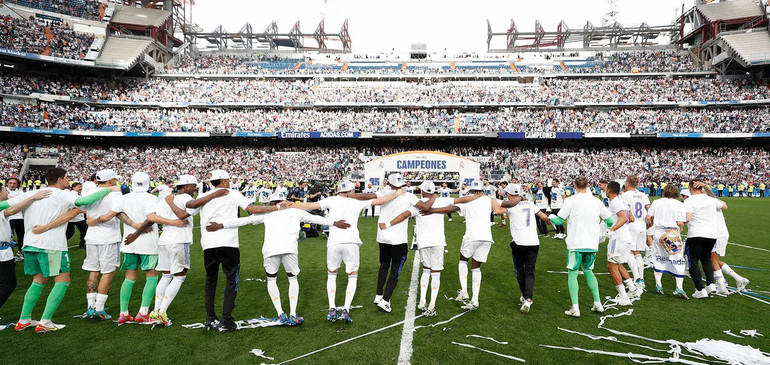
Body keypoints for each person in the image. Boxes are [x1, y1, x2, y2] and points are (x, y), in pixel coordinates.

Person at [207, 191, 349, 326]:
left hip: (270, 250)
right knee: (292, 279)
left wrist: (221, 225)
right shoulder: (294, 211)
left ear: (273, 202)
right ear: (284, 200)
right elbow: (315, 218)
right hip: (289, 249)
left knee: (272, 279)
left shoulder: (268, 213)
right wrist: (335, 223)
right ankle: (293, 314)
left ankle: (281, 313)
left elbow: (245, 220)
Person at [14, 168, 117, 333]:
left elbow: (6, 206)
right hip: (52, 245)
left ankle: (24, 319)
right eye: (67, 177)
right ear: (60, 179)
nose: (68, 179)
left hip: (29, 244)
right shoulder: (62, 194)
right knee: (62, 280)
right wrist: (109, 189)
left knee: (38, 281)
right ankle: (45, 321)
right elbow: (84, 200)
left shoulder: (32, 193)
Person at [185, 169, 287, 331]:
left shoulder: (204, 196)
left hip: (208, 243)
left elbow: (189, 210)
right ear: (224, 181)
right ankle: (226, 319)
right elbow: (252, 209)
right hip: (228, 243)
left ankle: (210, 317)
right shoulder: (232, 194)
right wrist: (277, 208)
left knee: (211, 279)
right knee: (231, 279)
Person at [291, 180, 402, 323]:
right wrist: (396, 193)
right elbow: (380, 201)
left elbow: (309, 205)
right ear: (350, 191)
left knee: (332, 274)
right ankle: (346, 310)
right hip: (351, 242)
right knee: (352, 276)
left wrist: (290, 205)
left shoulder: (331, 199)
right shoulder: (356, 202)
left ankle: (332, 308)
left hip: (334, 242)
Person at [379, 181, 482, 317]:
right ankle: (432, 304)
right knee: (436, 273)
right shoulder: (440, 200)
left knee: (426, 271)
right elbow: (461, 199)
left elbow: (404, 215)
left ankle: (422, 301)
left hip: (423, 243)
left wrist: (388, 224)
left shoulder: (418, 204)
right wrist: (478, 196)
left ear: (422, 191)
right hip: (438, 242)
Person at [422, 180, 507, 311]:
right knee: (476, 267)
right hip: (487, 237)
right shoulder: (490, 199)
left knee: (463, 260)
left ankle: (464, 291)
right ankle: (475, 299)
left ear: (472, 191)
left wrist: (432, 210)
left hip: (471, 236)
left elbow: (451, 208)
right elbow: (503, 207)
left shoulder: (468, 201)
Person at [128, 174, 197, 326]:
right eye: (193, 186)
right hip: (179, 240)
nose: (195, 189)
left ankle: (155, 311)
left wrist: (136, 233)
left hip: (164, 239)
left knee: (166, 276)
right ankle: (162, 312)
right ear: (185, 187)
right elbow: (184, 214)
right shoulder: (184, 198)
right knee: (179, 277)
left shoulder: (164, 199)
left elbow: (151, 218)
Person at [96, 172, 163, 325]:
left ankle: (123, 313)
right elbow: (151, 219)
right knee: (151, 276)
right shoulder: (152, 198)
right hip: (148, 243)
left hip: (129, 243)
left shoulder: (123, 198)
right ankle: (143, 312)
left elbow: (114, 214)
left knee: (129, 277)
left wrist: (132, 227)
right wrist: (137, 231)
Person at [548, 176, 612, 318]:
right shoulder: (596, 201)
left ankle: (575, 307)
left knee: (573, 272)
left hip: (576, 242)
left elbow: (559, 220)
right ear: (588, 185)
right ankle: (598, 303)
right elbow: (610, 221)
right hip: (592, 243)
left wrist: (550, 216)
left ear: (574, 186)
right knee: (588, 271)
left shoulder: (571, 200)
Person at [371, 173, 433, 313]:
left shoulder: (383, 192)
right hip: (398, 240)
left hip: (382, 237)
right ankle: (386, 301)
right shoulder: (409, 196)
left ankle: (378, 295)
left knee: (384, 265)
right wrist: (434, 196)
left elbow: (367, 196)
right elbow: (425, 207)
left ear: (389, 183)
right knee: (395, 270)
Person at [83, 169, 140, 320]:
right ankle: (99, 308)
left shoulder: (89, 191)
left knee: (94, 270)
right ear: (110, 181)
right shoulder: (115, 194)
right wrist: (134, 224)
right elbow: (117, 213)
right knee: (108, 272)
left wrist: (92, 221)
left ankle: (90, 307)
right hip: (108, 236)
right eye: (114, 179)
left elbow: (83, 209)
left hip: (91, 236)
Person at [0, 185, 50, 310]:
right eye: (5, 189)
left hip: (5, 249)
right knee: (8, 284)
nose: (7, 191)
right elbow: (11, 210)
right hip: (2, 252)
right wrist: (33, 197)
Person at [503, 184, 548, 313]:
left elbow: (503, 210)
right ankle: (528, 298)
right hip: (534, 242)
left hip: (519, 241)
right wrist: (549, 221)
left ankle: (525, 296)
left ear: (509, 195)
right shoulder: (529, 204)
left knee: (519, 270)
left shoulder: (510, 206)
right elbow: (543, 216)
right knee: (530, 271)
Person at [700, 183, 750, 294]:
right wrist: (705, 186)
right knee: (715, 259)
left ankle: (721, 285)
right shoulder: (714, 201)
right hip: (722, 233)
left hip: (715, 234)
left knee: (711, 260)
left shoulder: (707, 202)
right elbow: (721, 203)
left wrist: (704, 185)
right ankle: (738, 278)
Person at [683, 180, 727, 299]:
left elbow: (688, 218)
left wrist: (679, 223)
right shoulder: (711, 200)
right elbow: (724, 206)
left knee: (693, 261)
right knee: (706, 259)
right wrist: (707, 187)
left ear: (691, 188)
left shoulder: (689, 200)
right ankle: (711, 285)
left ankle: (699, 290)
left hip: (696, 234)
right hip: (711, 235)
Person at [646, 184, 688, 298]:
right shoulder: (680, 205)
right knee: (678, 259)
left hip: (659, 233)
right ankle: (679, 287)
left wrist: (650, 224)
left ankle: (658, 285)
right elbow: (680, 222)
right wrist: (681, 229)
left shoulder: (656, 202)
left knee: (659, 258)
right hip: (673, 233)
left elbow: (648, 217)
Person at [605, 182, 641, 306]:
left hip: (618, 238)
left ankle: (623, 296)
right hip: (626, 237)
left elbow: (624, 218)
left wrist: (611, 230)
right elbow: (631, 218)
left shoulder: (615, 202)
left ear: (608, 190)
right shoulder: (622, 201)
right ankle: (632, 289)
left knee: (611, 265)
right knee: (618, 264)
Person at [621, 175, 651, 289]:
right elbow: (649, 208)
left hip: (632, 225)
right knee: (637, 252)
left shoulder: (625, 195)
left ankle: (637, 278)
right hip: (642, 224)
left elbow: (626, 210)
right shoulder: (643, 195)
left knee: (629, 251)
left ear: (627, 184)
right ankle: (641, 279)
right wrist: (650, 220)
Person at [6, 178, 25, 261]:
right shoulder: (4, 191)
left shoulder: (21, 192)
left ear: (17, 184)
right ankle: (10, 254)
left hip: (19, 217)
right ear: (7, 184)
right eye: (10, 183)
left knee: (21, 235)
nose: (12, 185)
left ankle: (21, 252)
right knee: (9, 236)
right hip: (8, 217)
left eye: (14, 183)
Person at [65, 182, 88, 249]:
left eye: (81, 187)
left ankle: (82, 244)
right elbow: (71, 206)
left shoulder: (78, 195)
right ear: (74, 187)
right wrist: (81, 211)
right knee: (69, 233)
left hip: (79, 218)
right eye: (79, 187)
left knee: (85, 230)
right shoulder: (71, 195)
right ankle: (60, 244)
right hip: (72, 217)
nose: (80, 188)